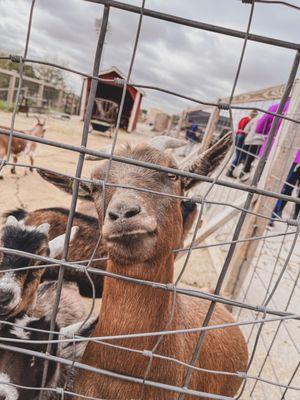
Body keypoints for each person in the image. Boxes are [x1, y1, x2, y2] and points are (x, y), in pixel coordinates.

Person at [269, 150, 300, 226]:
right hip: (295, 160)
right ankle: (274, 214)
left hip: (296, 161)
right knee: (286, 188)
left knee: (289, 190)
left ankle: (295, 216)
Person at [226, 110, 257, 178]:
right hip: (242, 136)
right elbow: (246, 130)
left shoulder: (244, 118)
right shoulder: (250, 121)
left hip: (238, 135)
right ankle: (230, 171)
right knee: (239, 156)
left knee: (238, 155)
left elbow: (239, 127)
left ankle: (231, 170)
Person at [239, 111, 261, 181]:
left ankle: (241, 173)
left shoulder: (253, 120)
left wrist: (251, 134)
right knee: (250, 159)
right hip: (258, 142)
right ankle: (244, 174)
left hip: (248, 141)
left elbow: (245, 130)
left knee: (245, 158)